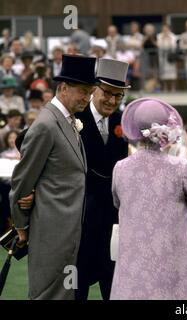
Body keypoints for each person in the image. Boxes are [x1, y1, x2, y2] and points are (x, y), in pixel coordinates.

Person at [9, 54, 97, 300]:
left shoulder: (66, 121)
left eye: (90, 92)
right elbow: (21, 181)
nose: (86, 98)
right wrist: (21, 226)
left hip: (67, 232)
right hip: (50, 233)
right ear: (63, 88)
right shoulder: (46, 124)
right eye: (82, 91)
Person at [110, 97, 187, 300]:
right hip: (171, 248)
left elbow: (118, 203)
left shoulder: (120, 168)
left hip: (134, 251)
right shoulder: (180, 168)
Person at [74, 58, 130, 300]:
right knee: (77, 285)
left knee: (114, 285)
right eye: (107, 93)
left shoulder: (122, 122)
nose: (112, 101)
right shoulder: (75, 115)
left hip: (113, 221)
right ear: (94, 89)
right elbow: (28, 140)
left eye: (118, 96)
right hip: (80, 218)